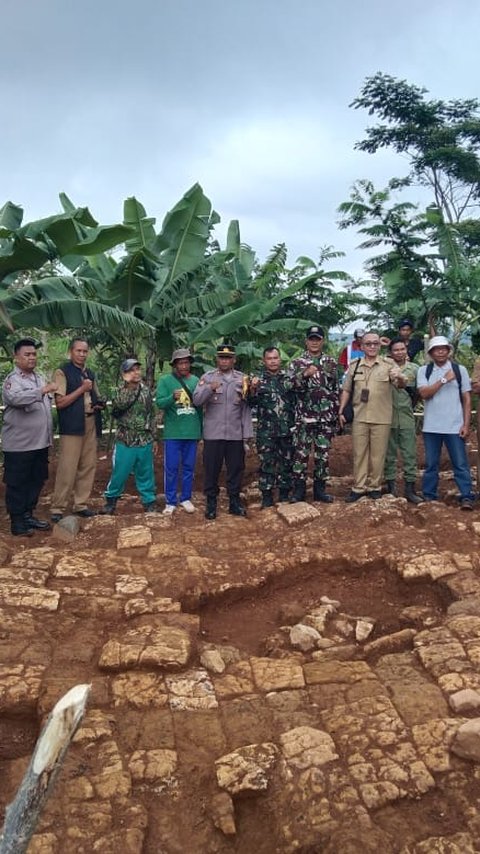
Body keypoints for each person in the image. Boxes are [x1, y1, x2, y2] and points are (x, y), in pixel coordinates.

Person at [2, 338, 57, 536]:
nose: (32, 358)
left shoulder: (38, 377)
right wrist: (42, 391)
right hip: (19, 445)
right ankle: (17, 521)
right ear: (16, 357)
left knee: (37, 479)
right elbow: (15, 399)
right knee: (17, 482)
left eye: (34, 354)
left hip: (40, 442)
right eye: (27, 354)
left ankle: (28, 514)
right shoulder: (12, 381)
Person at [339, 330, 401, 501]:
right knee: (359, 454)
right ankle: (358, 487)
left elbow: (400, 384)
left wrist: (400, 377)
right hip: (360, 416)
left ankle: (374, 486)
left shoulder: (389, 365)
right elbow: (346, 389)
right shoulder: (355, 365)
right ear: (362, 346)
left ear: (380, 345)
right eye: (368, 344)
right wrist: (341, 410)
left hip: (381, 417)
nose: (372, 346)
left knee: (378, 455)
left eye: (375, 343)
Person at [192, 344, 253, 519]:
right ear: (216, 359)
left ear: (233, 360)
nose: (224, 360)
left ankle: (234, 502)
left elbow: (246, 407)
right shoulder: (207, 377)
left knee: (236, 469)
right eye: (221, 357)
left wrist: (247, 434)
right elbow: (196, 400)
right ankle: (211, 503)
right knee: (211, 469)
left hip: (235, 434)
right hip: (213, 434)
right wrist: (209, 388)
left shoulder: (242, 379)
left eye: (228, 358)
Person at [50, 338, 105, 522]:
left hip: (90, 422)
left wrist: (98, 404)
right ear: (71, 351)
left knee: (88, 465)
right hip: (72, 425)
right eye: (78, 351)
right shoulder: (62, 372)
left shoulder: (90, 373)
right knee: (68, 466)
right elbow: (60, 402)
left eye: (85, 351)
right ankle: (58, 507)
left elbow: (94, 395)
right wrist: (82, 389)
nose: (82, 354)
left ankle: (81, 504)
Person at [417, 336, 475, 510]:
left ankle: (466, 496)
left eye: (444, 348)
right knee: (431, 463)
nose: (441, 351)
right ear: (431, 352)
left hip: (454, 425)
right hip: (431, 426)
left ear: (449, 351)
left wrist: (466, 424)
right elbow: (425, 394)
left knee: (460, 463)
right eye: (437, 349)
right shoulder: (424, 371)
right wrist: (443, 380)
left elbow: (466, 399)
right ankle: (429, 495)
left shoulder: (460, 370)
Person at [288, 325, 339, 503]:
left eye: (317, 339)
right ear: (306, 341)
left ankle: (320, 491)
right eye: (311, 339)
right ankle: (299, 491)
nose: (314, 342)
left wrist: (336, 414)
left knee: (322, 455)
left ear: (322, 341)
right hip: (304, 417)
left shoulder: (331, 362)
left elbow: (335, 389)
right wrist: (304, 374)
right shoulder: (296, 363)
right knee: (301, 455)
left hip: (325, 418)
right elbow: (289, 386)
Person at [102, 359, 157, 514]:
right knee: (120, 471)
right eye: (132, 370)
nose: (136, 373)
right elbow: (119, 405)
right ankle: (111, 500)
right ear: (124, 374)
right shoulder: (118, 390)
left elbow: (151, 414)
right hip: (125, 439)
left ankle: (149, 502)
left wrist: (154, 437)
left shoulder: (146, 391)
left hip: (144, 439)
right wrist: (128, 387)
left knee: (146, 472)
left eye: (138, 369)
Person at [156, 348, 202, 515]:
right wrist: (171, 398)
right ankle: (170, 500)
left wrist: (201, 431)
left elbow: (200, 407)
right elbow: (160, 403)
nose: (184, 366)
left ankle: (186, 497)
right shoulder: (165, 381)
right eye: (180, 363)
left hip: (191, 431)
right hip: (173, 433)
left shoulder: (196, 380)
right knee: (171, 467)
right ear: (174, 365)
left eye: (186, 362)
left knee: (189, 466)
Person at [248, 346, 295, 507]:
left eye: (275, 358)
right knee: (266, 463)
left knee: (286, 463)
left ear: (279, 359)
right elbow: (249, 403)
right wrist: (253, 389)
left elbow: (296, 400)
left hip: (287, 429)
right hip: (266, 431)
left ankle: (283, 494)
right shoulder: (256, 379)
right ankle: (266, 496)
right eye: (269, 358)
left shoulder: (289, 378)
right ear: (264, 361)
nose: (273, 361)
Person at [383, 338, 423, 504]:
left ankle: (410, 489)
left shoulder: (415, 369)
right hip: (388, 416)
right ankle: (391, 487)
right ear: (391, 352)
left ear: (406, 350)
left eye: (402, 349)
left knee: (409, 453)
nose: (399, 352)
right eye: (395, 350)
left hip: (406, 416)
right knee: (389, 454)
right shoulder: (385, 367)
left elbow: (418, 392)